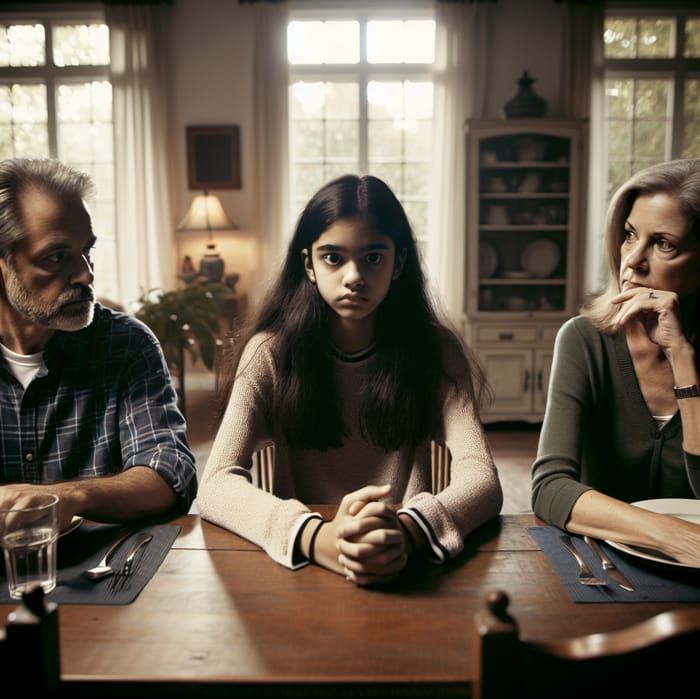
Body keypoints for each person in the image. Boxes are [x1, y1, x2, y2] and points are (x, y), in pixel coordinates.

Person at [197, 173, 503, 586]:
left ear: (400, 263)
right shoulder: (270, 352)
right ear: (308, 264)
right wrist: (317, 537)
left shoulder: (436, 349)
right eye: (333, 258)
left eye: (374, 257)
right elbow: (215, 484)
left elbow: (481, 476)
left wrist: (410, 530)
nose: (354, 276)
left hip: (406, 565)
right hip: (303, 565)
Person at [0, 157, 197, 531]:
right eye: (57, 257)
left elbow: (172, 471)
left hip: (107, 578)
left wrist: (70, 497)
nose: (86, 274)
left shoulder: (128, 344)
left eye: (87, 250)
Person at [531, 158, 700, 566]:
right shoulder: (584, 339)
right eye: (629, 235)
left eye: (663, 244)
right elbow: (550, 487)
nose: (633, 261)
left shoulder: (687, 356)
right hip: (599, 568)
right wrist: (671, 536)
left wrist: (682, 357)